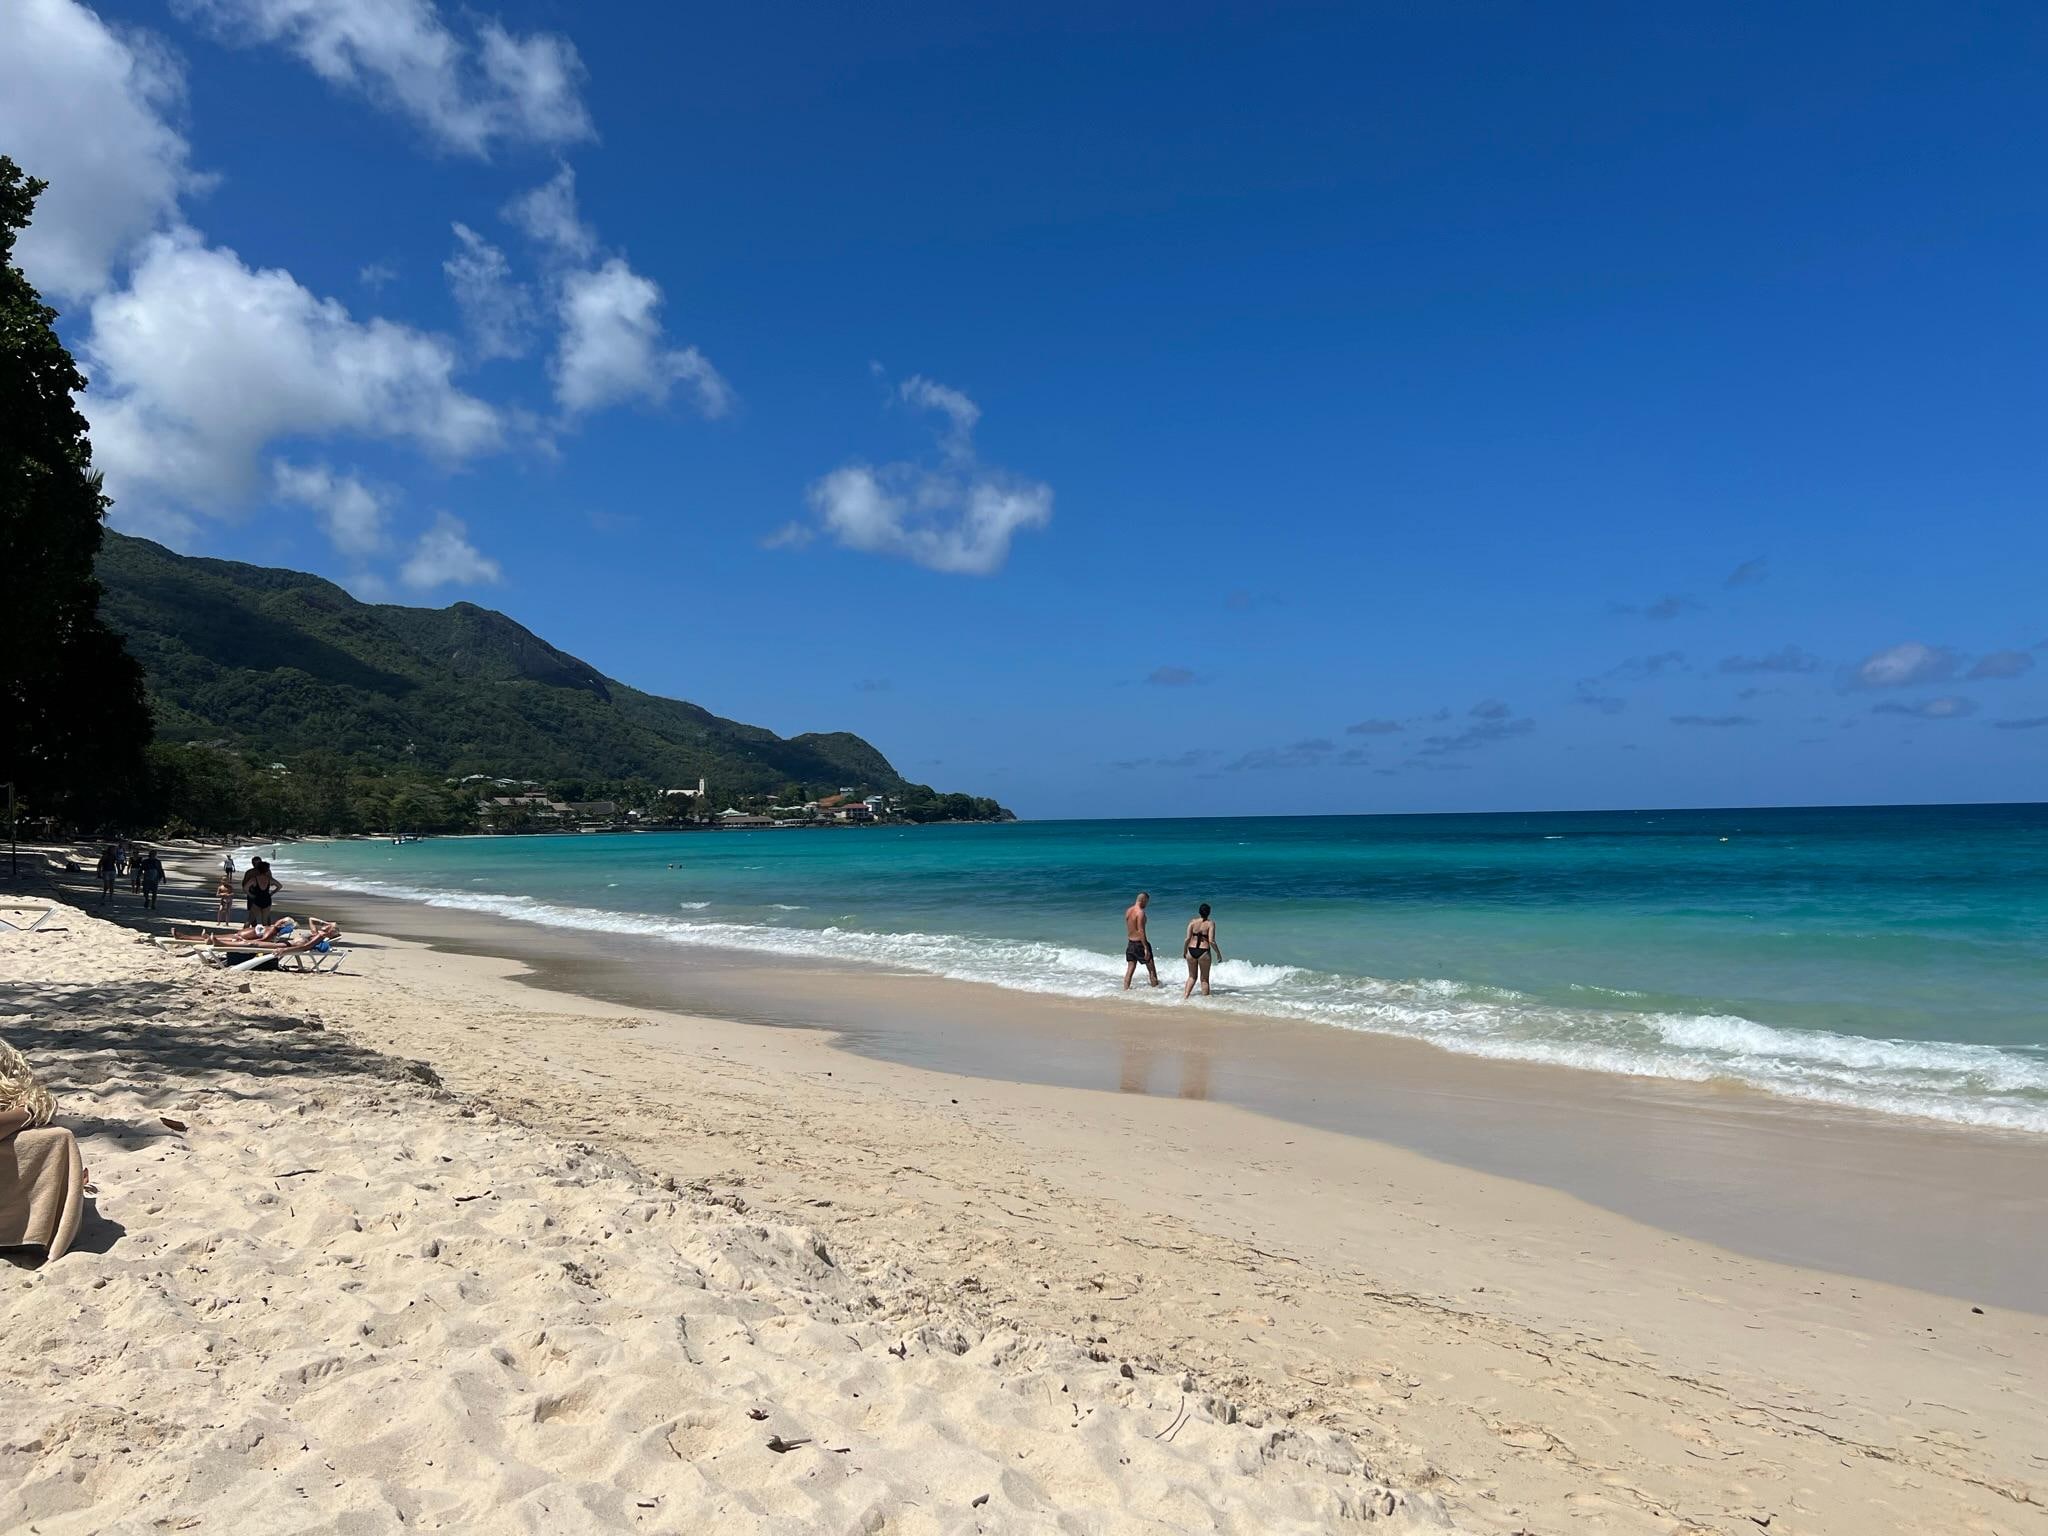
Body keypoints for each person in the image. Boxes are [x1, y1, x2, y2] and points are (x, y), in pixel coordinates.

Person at [1181, 902, 1222, 999]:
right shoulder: (1210, 923)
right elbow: (1211, 941)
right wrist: (1218, 953)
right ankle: (1205, 1002)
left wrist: (1184, 951)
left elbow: (1187, 939)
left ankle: (1185, 997)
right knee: (1204, 979)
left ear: (1199, 912)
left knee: (1191, 977)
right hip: (1203, 952)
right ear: (1209, 913)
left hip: (1191, 950)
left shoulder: (1192, 922)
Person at [1122, 891, 1160, 990]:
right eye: (1146, 902)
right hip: (1139, 944)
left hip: (1130, 943)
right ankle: (1156, 991)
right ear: (1143, 900)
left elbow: (1130, 927)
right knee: (1151, 969)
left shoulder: (1128, 911)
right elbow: (1141, 931)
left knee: (1130, 969)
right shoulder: (1140, 913)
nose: (1146, 905)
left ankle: (1125, 990)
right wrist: (1146, 947)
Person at [242, 857, 282, 927]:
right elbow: (278, 885)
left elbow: (244, 886)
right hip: (266, 897)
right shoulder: (267, 874)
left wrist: (250, 894)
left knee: (250, 919)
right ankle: (266, 934)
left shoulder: (251, 875)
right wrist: (272, 892)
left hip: (256, 896)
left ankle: (246, 933)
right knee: (265, 920)